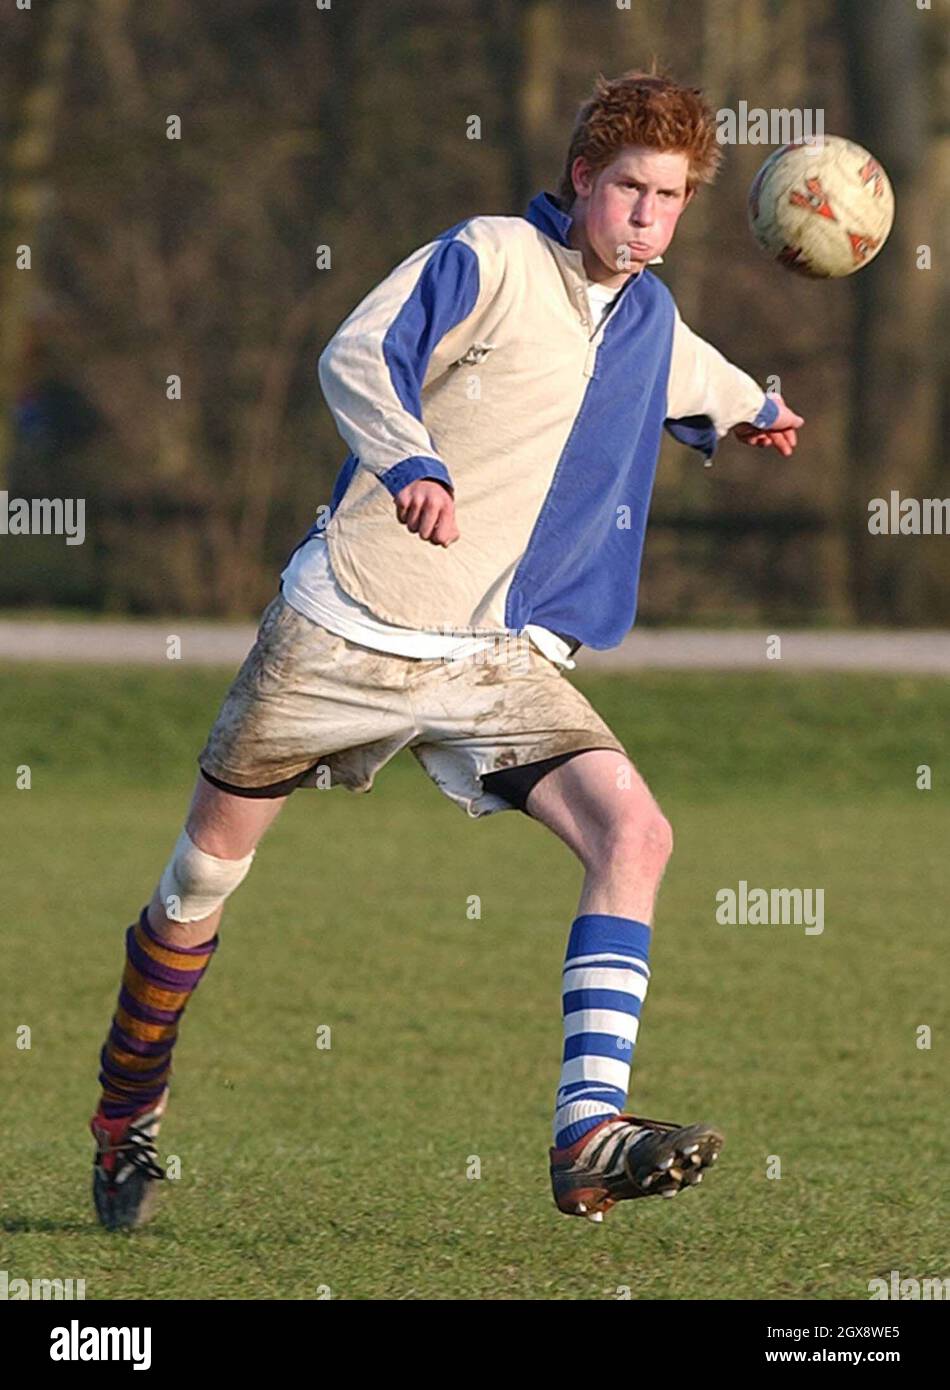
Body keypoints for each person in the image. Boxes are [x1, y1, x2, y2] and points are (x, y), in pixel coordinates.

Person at [89, 69, 803, 1229]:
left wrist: (751, 407)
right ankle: (127, 1113)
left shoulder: (648, 314)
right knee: (197, 885)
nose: (646, 217)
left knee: (637, 832)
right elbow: (355, 356)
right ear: (581, 178)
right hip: (342, 627)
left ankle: (587, 1133)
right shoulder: (487, 256)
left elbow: (688, 372)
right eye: (628, 188)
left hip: (487, 659)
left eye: (669, 198)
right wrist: (409, 459)